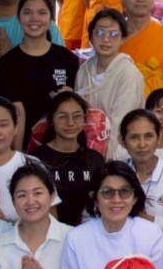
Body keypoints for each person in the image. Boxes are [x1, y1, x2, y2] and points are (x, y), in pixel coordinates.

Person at [0, 0, 80, 141]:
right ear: (18, 18)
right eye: (27, 12)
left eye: (42, 12)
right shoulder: (7, 63)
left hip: (62, 144)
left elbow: (80, 106)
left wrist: (72, 96)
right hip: (20, 147)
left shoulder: (67, 59)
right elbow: (3, 113)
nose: (34, 18)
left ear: (51, 18)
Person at [110, 106, 163, 228]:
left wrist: (151, 220)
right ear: (123, 141)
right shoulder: (114, 175)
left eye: (148, 136)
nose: (142, 144)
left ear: (159, 137)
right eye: (134, 137)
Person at [28, 92, 105, 226]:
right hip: (47, 233)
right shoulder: (36, 159)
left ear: (84, 119)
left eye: (77, 116)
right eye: (63, 116)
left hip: (86, 233)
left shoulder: (94, 159)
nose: (70, 122)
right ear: (51, 120)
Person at [77, 7, 146, 126]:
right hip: (84, 142)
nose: (105, 39)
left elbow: (120, 124)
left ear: (122, 39)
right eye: (99, 32)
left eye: (113, 34)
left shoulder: (129, 74)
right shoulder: (84, 70)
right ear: (91, 36)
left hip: (117, 143)